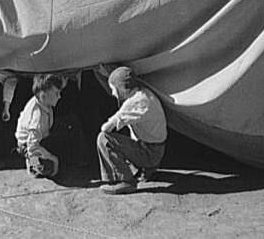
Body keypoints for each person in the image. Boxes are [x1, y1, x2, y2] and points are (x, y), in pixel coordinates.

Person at [97, 66, 167, 194]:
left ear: (122, 88)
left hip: (149, 153)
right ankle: (144, 169)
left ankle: (125, 181)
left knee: (104, 138)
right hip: (156, 149)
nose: (112, 93)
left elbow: (106, 128)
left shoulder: (136, 102)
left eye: (114, 89)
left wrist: (118, 116)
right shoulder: (145, 93)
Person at [15, 74, 87, 178]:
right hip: (30, 144)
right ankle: (33, 166)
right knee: (49, 168)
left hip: (43, 135)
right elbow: (32, 147)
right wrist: (53, 159)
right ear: (43, 95)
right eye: (56, 94)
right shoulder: (37, 118)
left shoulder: (41, 99)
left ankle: (76, 158)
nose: (59, 96)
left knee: (71, 121)